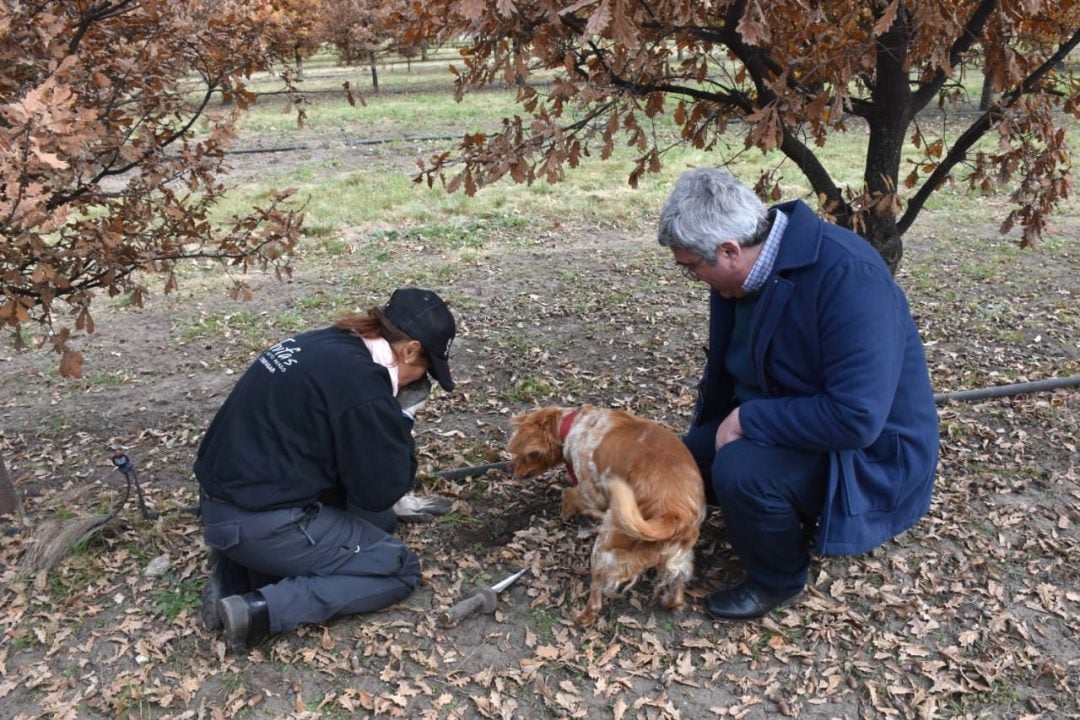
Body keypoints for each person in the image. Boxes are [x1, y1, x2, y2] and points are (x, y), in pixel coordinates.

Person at [657, 168, 939, 621]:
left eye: (691, 267)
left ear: (729, 250)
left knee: (741, 471)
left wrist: (748, 420)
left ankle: (778, 579)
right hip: (792, 412)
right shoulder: (741, 276)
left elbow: (857, 418)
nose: (692, 277)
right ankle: (763, 513)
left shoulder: (849, 275)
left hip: (867, 454)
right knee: (682, 460)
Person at [194, 287, 458, 652]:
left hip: (225, 500)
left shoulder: (327, 342)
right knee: (398, 568)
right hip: (259, 521)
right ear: (410, 351)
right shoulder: (364, 386)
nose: (420, 379)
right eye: (425, 370)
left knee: (378, 522)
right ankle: (256, 610)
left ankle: (237, 573)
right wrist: (401, 419)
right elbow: (382, 490)